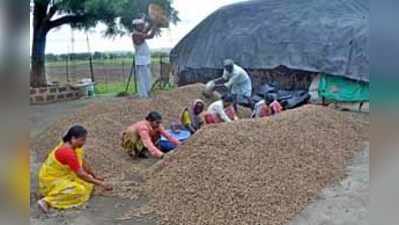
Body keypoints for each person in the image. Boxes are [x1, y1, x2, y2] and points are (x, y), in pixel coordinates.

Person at [38, 125, 112, 213]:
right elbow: (80, 173)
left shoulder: (74, 147)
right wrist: (101, 184)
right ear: (73, 138)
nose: (84, 142)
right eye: (82, 140)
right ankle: (47, 201)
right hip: (52, 179)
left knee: (88, 184)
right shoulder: (67, 152)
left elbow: (83, 162)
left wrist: (94, 176)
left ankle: (54, 194)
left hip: (64, 175)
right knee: (79, 191)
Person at [132, 18, 159, 98]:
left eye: (142, 25)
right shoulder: (136, 34)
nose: (142, 26)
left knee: (147, 78)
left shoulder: (138, 33)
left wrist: (152, 23)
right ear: (136, 26)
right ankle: (143, 95)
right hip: (141, 61)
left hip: (144, 61)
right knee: (143, 79)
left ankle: (147, 94)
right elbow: (150, 36)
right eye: (140, 25)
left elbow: (146, 30)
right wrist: (155, 26)